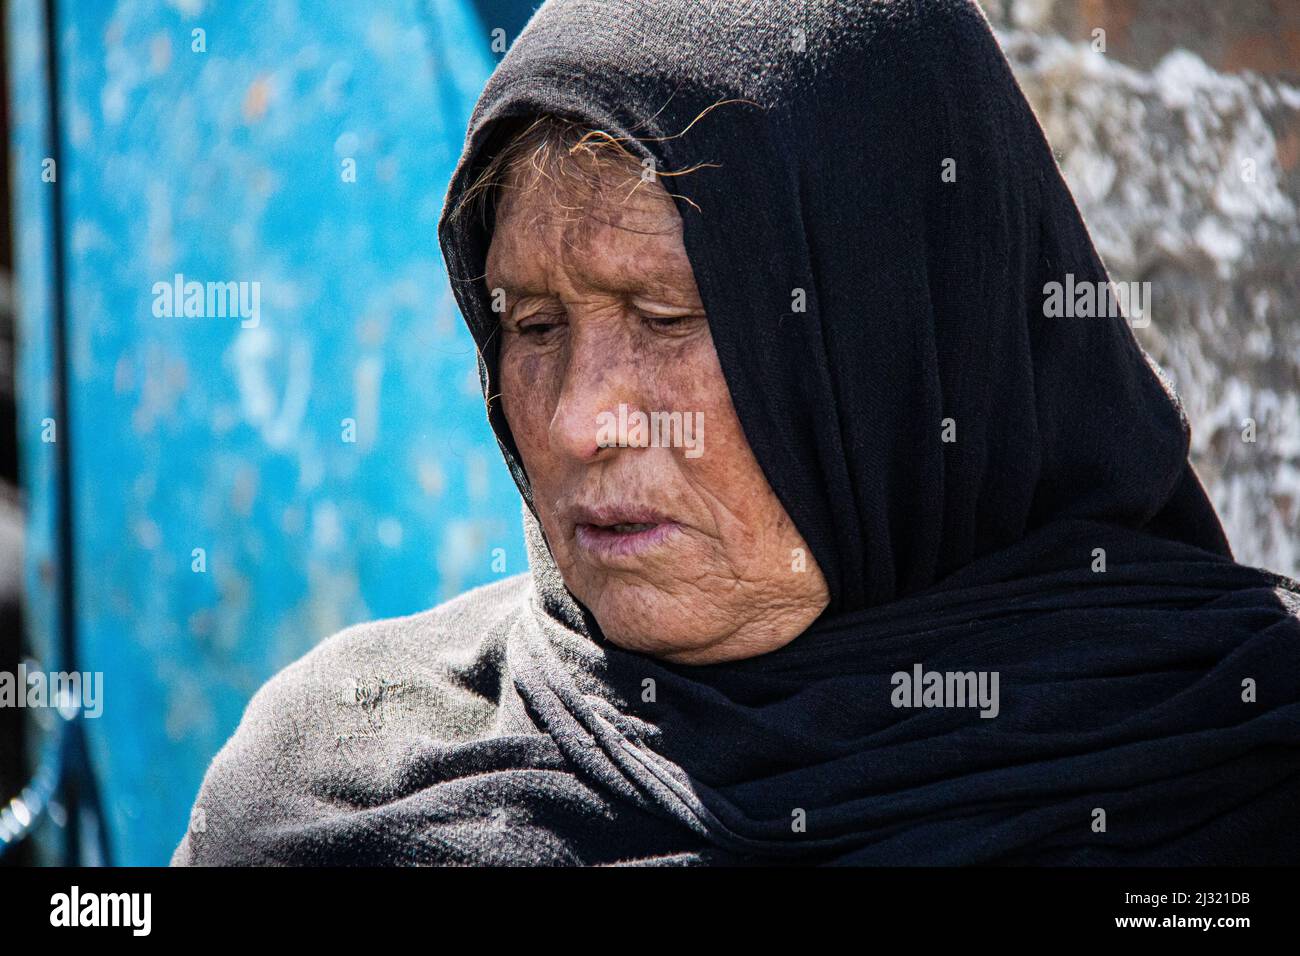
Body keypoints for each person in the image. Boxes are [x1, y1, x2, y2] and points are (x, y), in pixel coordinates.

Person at [172, 0, 1300, 866]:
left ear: (902, 338)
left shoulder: (1230, 765)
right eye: (532, 323)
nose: (578, 420)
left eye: (666, 317)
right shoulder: (341, 788)